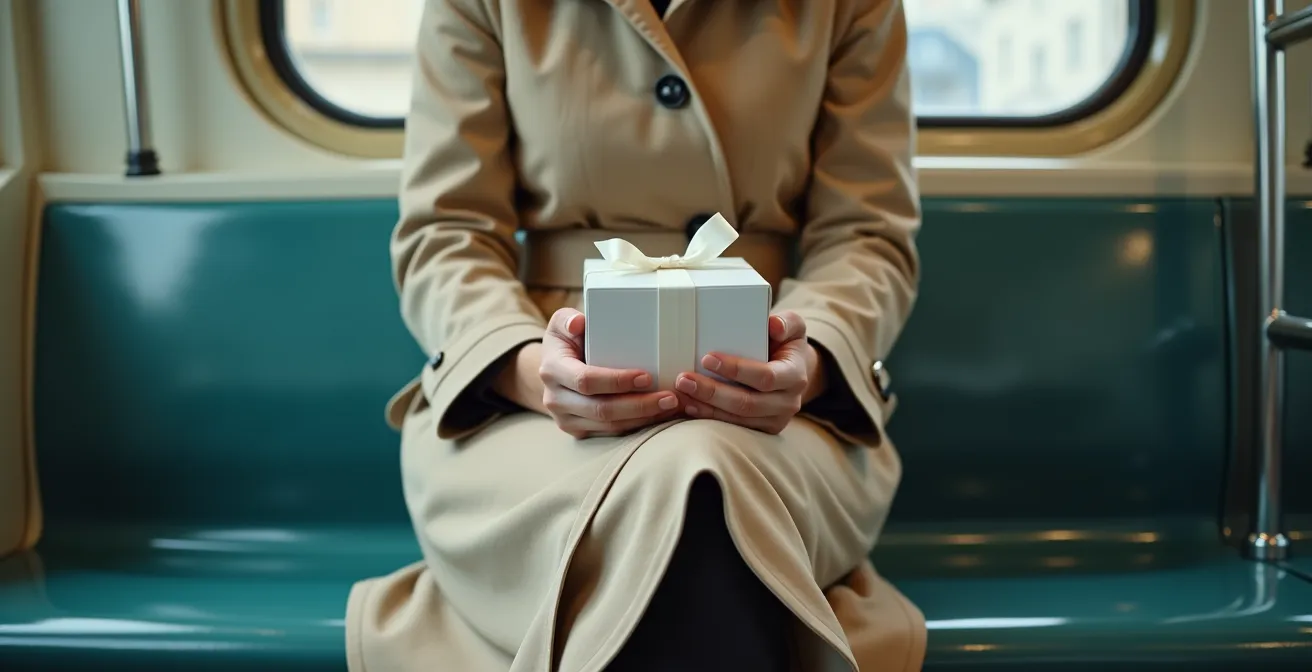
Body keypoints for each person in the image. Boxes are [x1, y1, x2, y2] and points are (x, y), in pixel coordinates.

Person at [345, 0, 925, 669]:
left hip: (775, 381)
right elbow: (446, 235)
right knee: (684, 498)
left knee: (704, 479)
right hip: (530, 389)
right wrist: (532, 370)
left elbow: (866, 236)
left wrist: (811, 360)